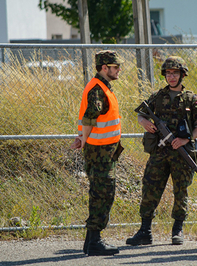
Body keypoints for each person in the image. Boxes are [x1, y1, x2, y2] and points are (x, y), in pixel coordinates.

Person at [126, 56, 197, 246]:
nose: (171, 77)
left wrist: (186, 138)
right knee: (150, 189)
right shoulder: (157, 97)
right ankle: (145, 231)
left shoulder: (191, 99)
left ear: (182, 75)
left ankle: (177, 229)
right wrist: (144, 122)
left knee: (181, 191)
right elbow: (141, 114)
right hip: (160, 153)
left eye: (175, 73)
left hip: (181, 153)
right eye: (169, 73)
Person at [70, 50, 124, 256]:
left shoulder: (102, 87)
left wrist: (82, 138)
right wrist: (83, 139)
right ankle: (94, 242)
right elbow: (90, 117)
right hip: (99, 151)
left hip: (104, 151)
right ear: (104, 68)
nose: (119, 70)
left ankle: (91, 241)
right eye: (115, 67)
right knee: (102, 193)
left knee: (100, 192)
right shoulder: (97, 89)